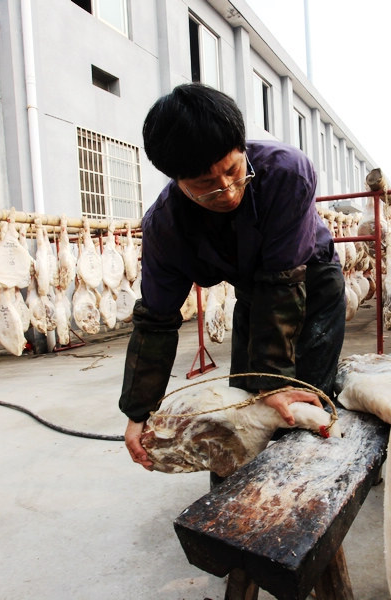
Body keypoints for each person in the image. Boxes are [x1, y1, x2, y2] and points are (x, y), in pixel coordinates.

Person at [120, 83, 346, 470]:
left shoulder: (286, 172)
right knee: (239, 411)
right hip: (255, 294)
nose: (225, 191)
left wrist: (273, 382)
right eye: (205, 185)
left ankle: (313, 481)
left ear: (243, 147)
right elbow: (156, 320)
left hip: (311, 282)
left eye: (233, 171)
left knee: (301, 403)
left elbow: (282, 282)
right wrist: (138, 410)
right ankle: (234, 500)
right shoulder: (165, 227)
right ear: (176, 180)